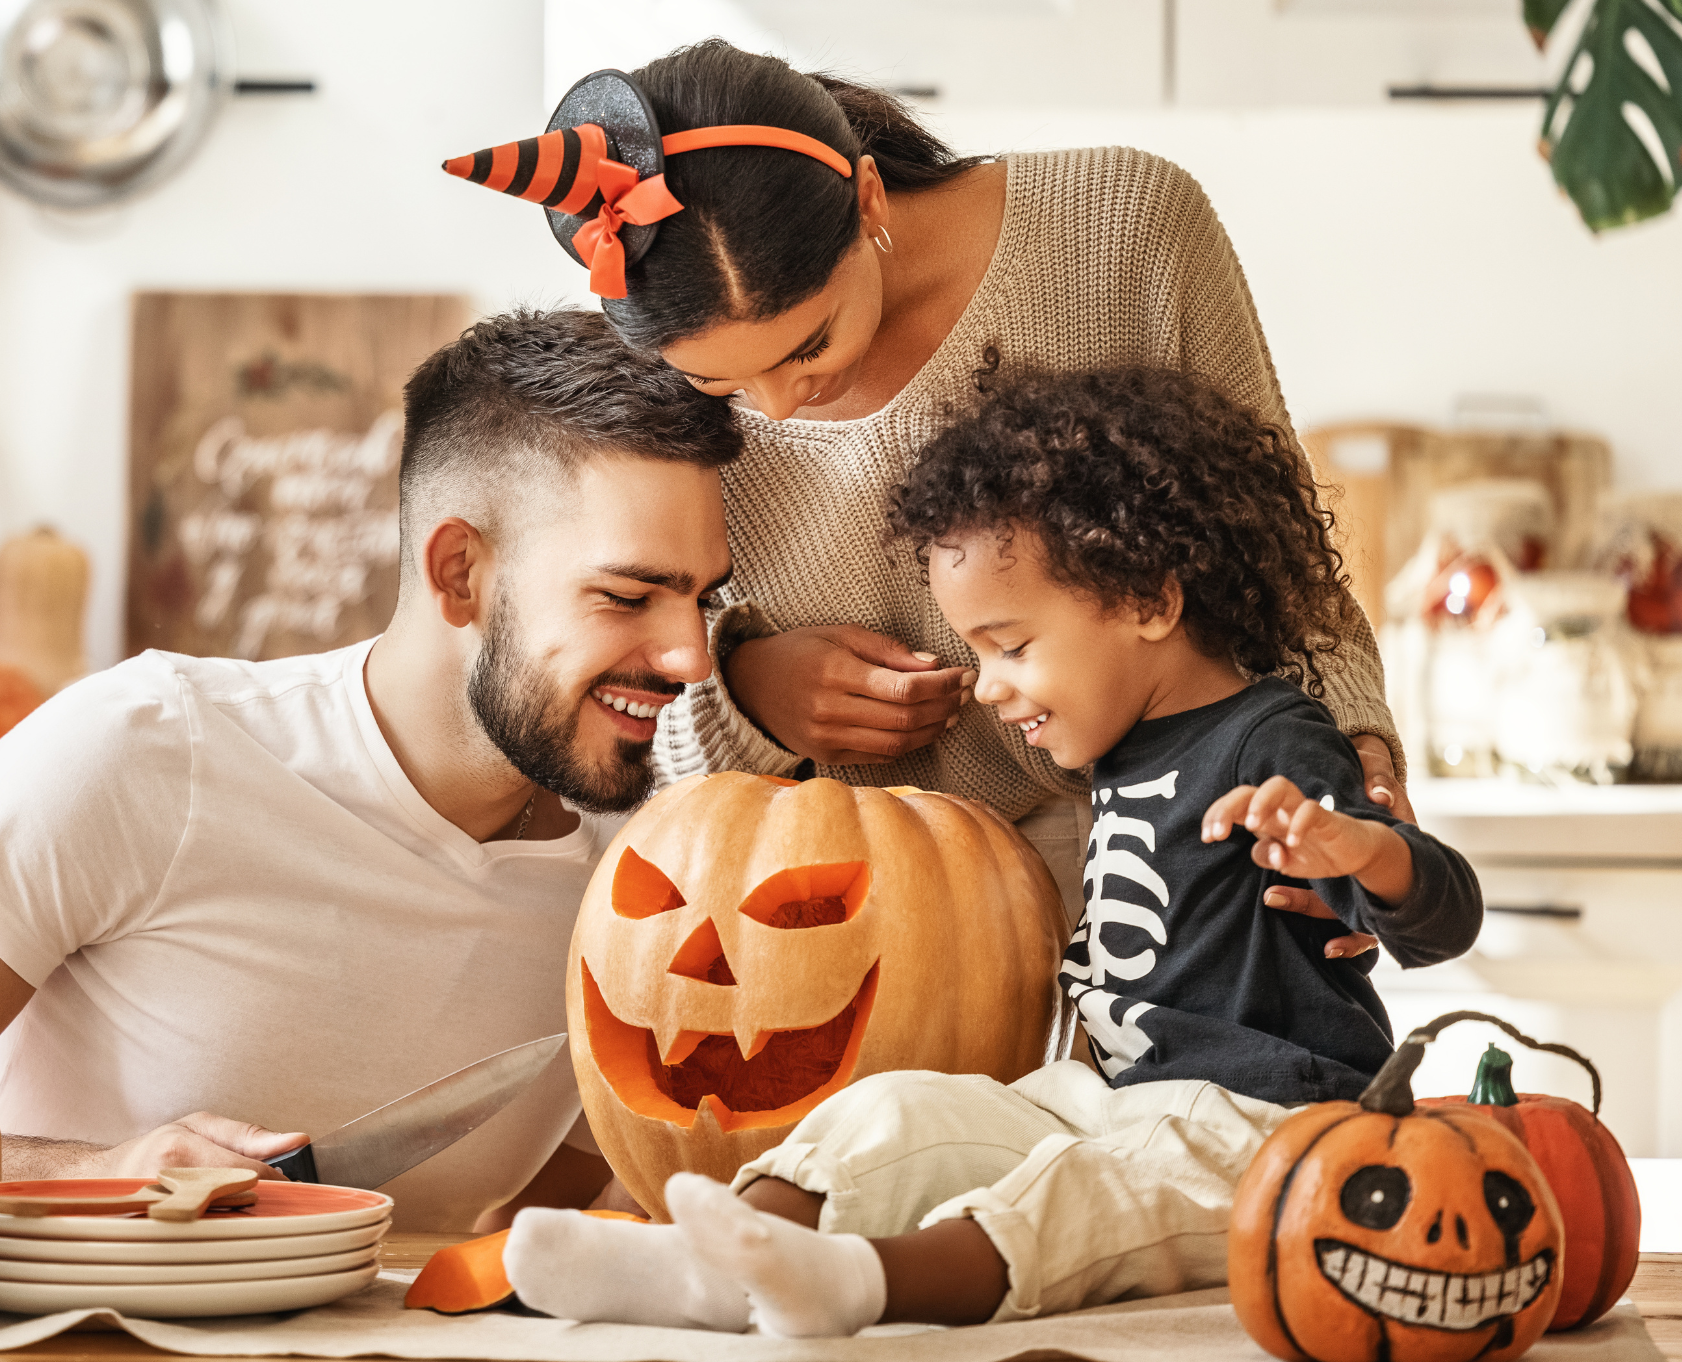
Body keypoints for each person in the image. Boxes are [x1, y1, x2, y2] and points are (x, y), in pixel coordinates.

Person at [498, 367, 1483, 1334]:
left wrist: (1358, 850)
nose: (984, 686)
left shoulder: (1274, 740)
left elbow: (1442, 918)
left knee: (1083, 1194)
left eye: (1009, 646)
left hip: (1274, 1127)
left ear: (1147, 601)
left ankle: (861, 1283)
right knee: (903, 1109)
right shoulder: (1125, 745)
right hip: (1109, 1098)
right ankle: (716, 1260)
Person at [0, 310, 739, 1233]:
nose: (688, 656)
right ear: (457, 574)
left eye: (700, 599)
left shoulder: (645, 889)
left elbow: (489, 1241)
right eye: (626, 596)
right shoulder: (144, 750)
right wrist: (87, 1170)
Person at [446, 41, 1402, 952]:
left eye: (808, 344)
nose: (777, 405)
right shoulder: (637, 380)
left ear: (866, 200)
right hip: (846, 903)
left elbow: (1273, 547)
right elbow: (629, 726)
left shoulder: (1123, 224)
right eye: (722, 386)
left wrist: (1351, 770)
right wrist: (747, 697)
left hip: (1190, 850)